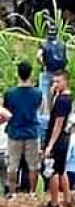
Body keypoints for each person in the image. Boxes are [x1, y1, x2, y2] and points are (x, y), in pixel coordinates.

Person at [1, 60, 42, 197]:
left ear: (18, 74)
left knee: (13, 165)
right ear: (30, 74)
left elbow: (6, 110)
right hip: (31, 132)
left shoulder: (10, 93)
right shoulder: (37, 93)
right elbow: (38, 107)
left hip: (15, 132)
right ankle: (32, 192)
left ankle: (12, 193)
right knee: (33, 165)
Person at [42, 70, 74, 207]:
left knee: (53, 171)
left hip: (58, 139)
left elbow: (58, 124)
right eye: (54, 81)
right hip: (65, 137)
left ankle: (54, 202)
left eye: (58, 81)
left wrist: (50, 144)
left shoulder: (62, 100)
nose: (55, 84)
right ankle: (67, 198)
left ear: (66, 82)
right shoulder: (65, 97)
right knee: (62, 170)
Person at [36, 31, 67, 114]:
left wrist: (43, 64)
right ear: (57, 34)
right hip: (58, 74)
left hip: (47, 72)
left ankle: (44, 114)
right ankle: (53, 113)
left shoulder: (44, 44)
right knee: (56, 96)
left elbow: (38, 56)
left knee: (43, 95)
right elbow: (66, 59)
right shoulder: (62, 44)